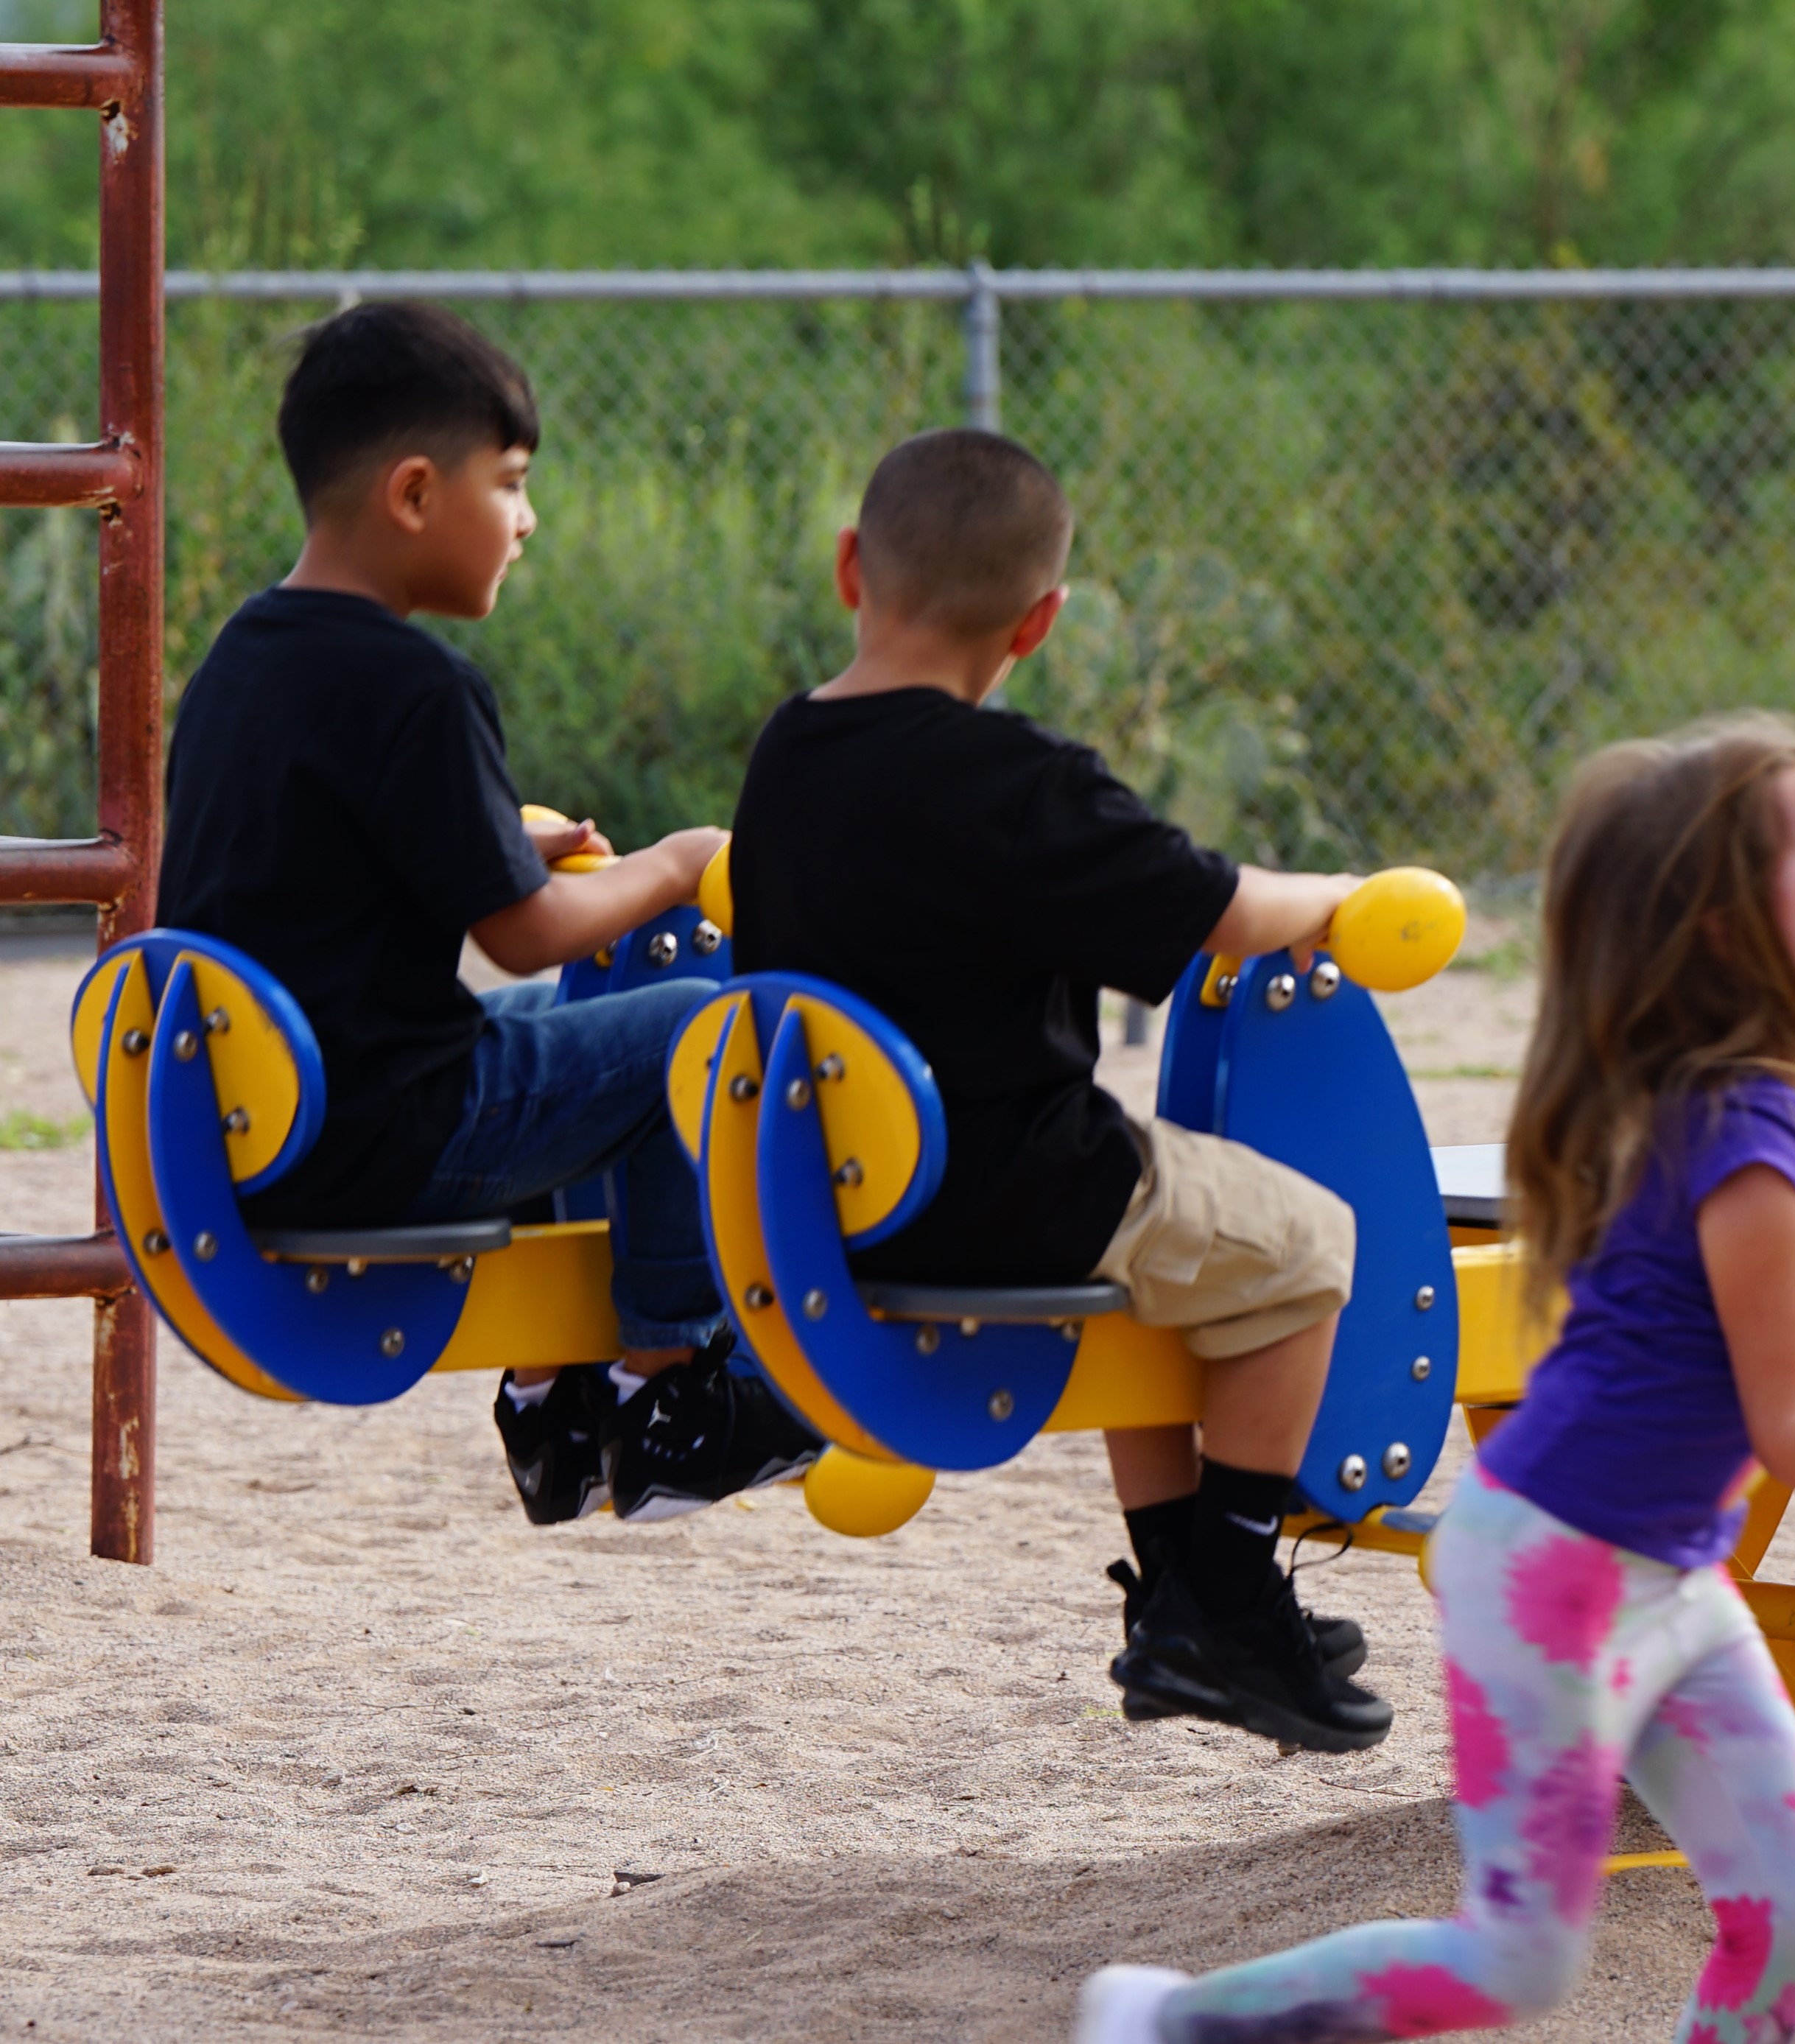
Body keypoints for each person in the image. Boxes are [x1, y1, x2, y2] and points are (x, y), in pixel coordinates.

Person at [1073, 488, 1795, 2044]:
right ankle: (1169, 2020)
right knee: (1520, 1955)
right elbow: (1792, 1431)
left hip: (1669, 1576)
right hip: (1549, 1576)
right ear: (1728, 934)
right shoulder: (1748, 1154)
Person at [728, 428, 1393, 1751]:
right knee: (1314, 1247)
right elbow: (1225, 911)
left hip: (846, 1199)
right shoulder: (1024, 786)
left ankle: (1171, 1602)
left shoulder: (784, 756)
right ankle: (1235, 1594)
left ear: (851, 568)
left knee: (1179, 1279)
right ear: (1039, 622)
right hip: (1018, 1192)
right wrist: (1340, 898)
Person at [156, 300, 815, 1529]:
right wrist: (676, 865)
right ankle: (666, 1380)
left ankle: (550, 1400)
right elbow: (521, 931)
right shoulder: (421, 686)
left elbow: (308, 852)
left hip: (279, 1114)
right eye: (510, 484)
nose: (527, 521)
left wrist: (508, 840)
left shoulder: (245, 657)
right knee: (706, 1026)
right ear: (414, 494)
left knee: (573, 1013)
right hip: (387, 1134)